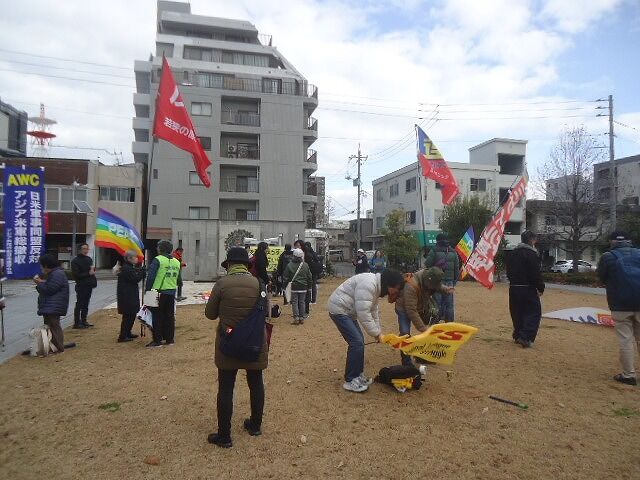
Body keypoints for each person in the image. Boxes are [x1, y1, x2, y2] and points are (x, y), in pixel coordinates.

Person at [205, 247, 268, 448]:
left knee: (226, 388)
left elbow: (210, 314)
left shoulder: (222, 284)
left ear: (229, 265)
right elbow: (266, 313)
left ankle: (224, 436)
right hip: (255, 343)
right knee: (256, 383)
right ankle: (255, 426)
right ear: (247, 266)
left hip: (228, 343)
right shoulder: (259, 284)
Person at [328, 269, 405, 392]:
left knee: (359, 342)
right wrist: (377, 334)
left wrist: (378, 332)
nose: (397, 291)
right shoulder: (369, 284)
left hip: (348, 311)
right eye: (397, 288)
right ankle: (350, 380)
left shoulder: (376, 287)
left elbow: (373, 311)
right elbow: (364, 313)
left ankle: (358, 375)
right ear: (389, 284)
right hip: (339, 309)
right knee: (357, 343)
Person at [597, 230, 640, 386]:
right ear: (629, 241)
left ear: (612, 241)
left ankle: (629, 374)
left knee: (625, 339)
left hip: (620, 304)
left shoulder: (607, 257)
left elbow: (602, 277)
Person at [395, 267, 454, 365]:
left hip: (419, 306)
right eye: (432, 285)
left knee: (432, 326)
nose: (432, 288)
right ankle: (406, 362)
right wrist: (423, 328)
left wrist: (446, 289)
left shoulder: (429, 279)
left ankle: (422, 356)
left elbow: (438, 286)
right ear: (427, 280)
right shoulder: (411, 286)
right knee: (405, 334)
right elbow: (411, 311)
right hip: (404, 309)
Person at [506, 230, 545, 348]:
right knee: (533, 312)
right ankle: (526, 337)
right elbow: (535, 273)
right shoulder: (531, 254)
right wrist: (540, 287)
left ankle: (518, 334)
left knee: (517, 312)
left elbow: (508, 271)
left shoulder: (513, 253)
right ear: (532, 240)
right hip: (527, 288)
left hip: (514, 287)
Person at [145, 240, 181, 348]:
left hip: (156, 291)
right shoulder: (176, 261)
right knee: (169, 316)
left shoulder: (158, 260)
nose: (156, 248)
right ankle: (169, 339)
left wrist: (147, 292)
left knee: (156, 316)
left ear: (161, 249)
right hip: (171, 291)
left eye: (158, 247)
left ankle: (157, 340)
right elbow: (179, 280)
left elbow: (151, 277)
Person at [34, 254, 70, 353]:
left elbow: (50, 289)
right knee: (50, 326)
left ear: (46, 265)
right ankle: (53, 347)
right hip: (51, 305)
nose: (41, 268)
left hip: (53, 306)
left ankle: (59, 347)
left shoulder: (57, 274)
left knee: (54, 326)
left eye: (41, 265)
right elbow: (50, 286)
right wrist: (41, 282)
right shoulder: (55, 273)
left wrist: (39, 283)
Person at [425, 234, 460, 322]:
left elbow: (427, 264)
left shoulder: (434, 250)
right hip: (450, 281)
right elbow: (456, 267)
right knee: (449, 304)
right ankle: (449, 322)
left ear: (437, 241)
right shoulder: (453, 252)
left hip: (437, 281)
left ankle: (436, 321)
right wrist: (454, 281)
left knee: (437, 303)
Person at [116, 250, 145, 343]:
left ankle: (127, 332)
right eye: (135, 257)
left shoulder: (128, 267)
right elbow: (135, 279)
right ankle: (123, 336)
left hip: (129, 294)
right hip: (127, 296)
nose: (137, 259)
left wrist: (140, 271)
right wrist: (142, 273)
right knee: (128, 316)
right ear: (129, 258)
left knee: (131, 315)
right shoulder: (127, 268)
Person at [283, 248, 313, 325]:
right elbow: (309, 277)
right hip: (304, 286)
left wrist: (284, 286)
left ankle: (296, 318)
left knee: (295, 302)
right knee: (302, 302)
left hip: (294, 286)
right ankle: (302, 318)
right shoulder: (305, 265)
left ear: (294, 256)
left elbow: (285, 277)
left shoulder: (289, 265)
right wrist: (309, 287)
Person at [70, 243, 96, 329]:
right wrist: (88, 273)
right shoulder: (75, 261)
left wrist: (92, 270)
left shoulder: (89, 259)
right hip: (81, 285)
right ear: (79, 250)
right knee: (79, 304)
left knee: (86, 304)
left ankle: (84, 320)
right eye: (84, 249)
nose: (86, 251)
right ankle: (77, 322)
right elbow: (76, 275)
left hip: (89, 284)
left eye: (87, 249)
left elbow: (91, 271)